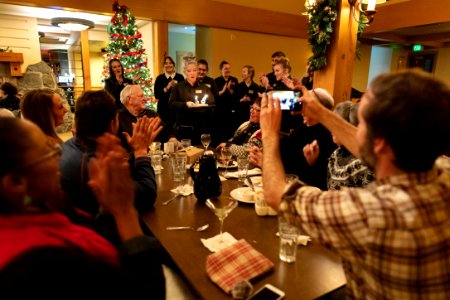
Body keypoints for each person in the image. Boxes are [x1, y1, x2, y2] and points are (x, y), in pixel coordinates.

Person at [261, 69, 450, 299]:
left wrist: (270, 135)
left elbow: (276, 194)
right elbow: (373, 149)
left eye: (360, 122)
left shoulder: (371, 211)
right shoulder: (442, 171)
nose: (355, 128)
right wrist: (322, 113)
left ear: (379, 142)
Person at [0, 118, 165, 298]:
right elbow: (146, 291)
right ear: (16, 183)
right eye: (48, 151)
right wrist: (125, 212)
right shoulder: (36, 267)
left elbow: (88, 231)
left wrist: (107, 204)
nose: (59, 156)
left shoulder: (39, 207)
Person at [60, 90, 161, 216]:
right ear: (113, 124)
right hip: (98, 230)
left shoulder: (69, 145)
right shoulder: (96, 165)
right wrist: (141, 152)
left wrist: (134, 152)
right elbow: (147, 196)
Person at [281, 88, 336, 190]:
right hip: (288, 186)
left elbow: (325, 179)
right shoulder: (300, 128)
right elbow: (286, 157)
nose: (301, 110)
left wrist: (312, 163)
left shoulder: (330, 135)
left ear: (319, 109)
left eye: (306, 105)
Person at [328, 101, 374, 190]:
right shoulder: (336, 155)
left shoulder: (363, 163)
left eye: (336, 125)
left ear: (350, 127)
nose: (331, 129)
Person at [119, 84, 179, 149]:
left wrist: (172, 138)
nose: (145, 99)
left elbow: (167, 131)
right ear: (129, 99)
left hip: (156, 155)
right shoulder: (118, 117)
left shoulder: (152, 114)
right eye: (141, 96)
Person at [169, 60, 215, 143]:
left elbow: (212, 103)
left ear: (197, 72)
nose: (192, 73)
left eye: (194, 70)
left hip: (201, 128)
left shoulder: (205, 88)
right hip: (184, 129)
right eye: (189, 71)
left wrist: (203, 106)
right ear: (185, 72)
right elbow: (171, 104)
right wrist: (185, 104)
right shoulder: (178, 87)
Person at [154, 56, 184, 127]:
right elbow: (157, 95)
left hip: (177, 111)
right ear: (163, 66)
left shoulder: (180, 77)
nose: (168, 65)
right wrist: (167, 87)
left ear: (173, 64)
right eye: (166, 63)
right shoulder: (159, 78)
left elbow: (183, 94)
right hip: (163, 111)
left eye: (170, 63)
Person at [215, 60, 239, 141]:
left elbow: (236, 95)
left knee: (230, 131)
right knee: (220, 131)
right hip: (220, 110)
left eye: (229, 68)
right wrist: (223, 90)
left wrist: (229, 89)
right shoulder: (216, 80)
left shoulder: (234, 80)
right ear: (221, 70)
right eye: (225, 68)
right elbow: (216, 95)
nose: (228, 70)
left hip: (231, 110)